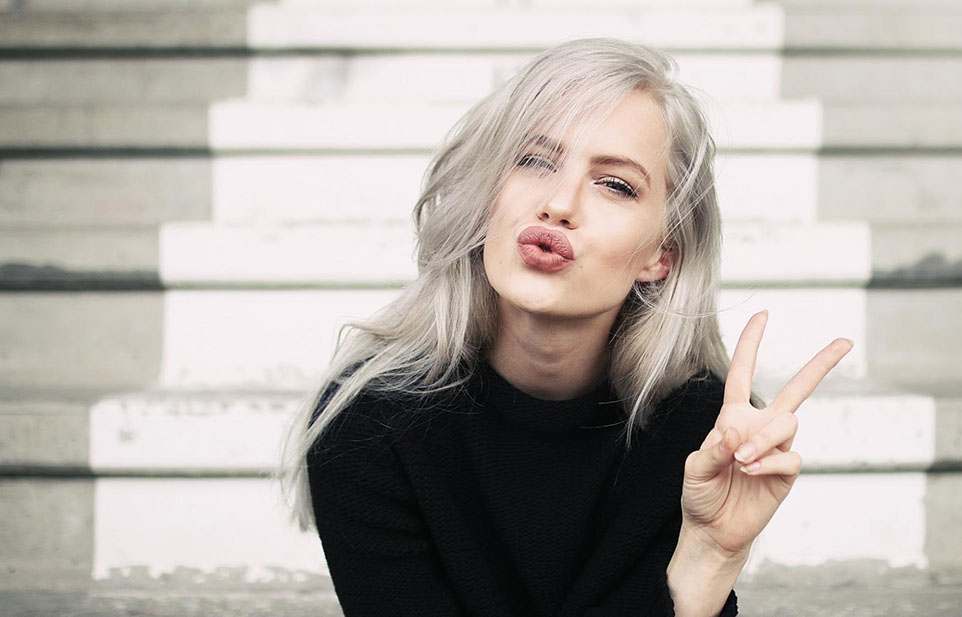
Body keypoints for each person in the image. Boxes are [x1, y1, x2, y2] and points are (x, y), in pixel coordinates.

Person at [277, 37, 852, 617]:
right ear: (487, 195)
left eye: (615, 184)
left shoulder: (702, 437)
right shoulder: (370, 422)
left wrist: (710, 555)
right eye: (534, 160)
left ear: (662, 254)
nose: (559, 203)